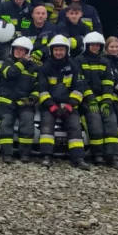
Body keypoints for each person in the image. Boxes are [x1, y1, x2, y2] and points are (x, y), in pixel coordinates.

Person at [37, 35, 90, 170]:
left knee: (74, 127)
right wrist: (51, 106)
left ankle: (78, 158)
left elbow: (79, 88)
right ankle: (46, 156)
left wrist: (70, 105)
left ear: (67, 51)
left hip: (69, 105)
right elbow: (42, 90)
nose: (59, 52)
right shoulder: (45, 67)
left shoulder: (74, 66)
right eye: (56, 50)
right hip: (50, 105)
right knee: (47, 126)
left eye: (61, 50)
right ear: (51, 51)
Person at [77, 32, 118, 169]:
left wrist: (107, 102)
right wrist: (91, 99)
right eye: (92, 44)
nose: (95, 47)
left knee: (111, 121)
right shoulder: (79, 60)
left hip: (103, 100)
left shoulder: (105, 61)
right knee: (95, 122)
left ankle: (113, 156)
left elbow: (108, 83)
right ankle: (97, 155)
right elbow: (81, 82)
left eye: (98, 44)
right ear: (86, 45)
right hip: (87, 101)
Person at [0, 36, 38, 163]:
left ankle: (25, 154)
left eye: (22, 50)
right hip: (6, 101)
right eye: (16, 49)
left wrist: (33, 98)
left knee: (27, 123)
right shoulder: (7, 63)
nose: (18, 51)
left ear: (27, 52)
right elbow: (10, 73)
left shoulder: (34, 68)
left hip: (24, 101)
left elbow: (38, 86)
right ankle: (7, 154)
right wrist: (23, 62)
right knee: (5, 123)